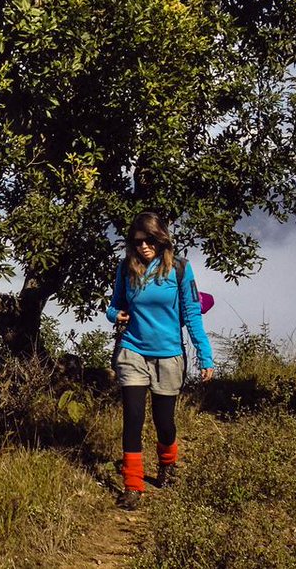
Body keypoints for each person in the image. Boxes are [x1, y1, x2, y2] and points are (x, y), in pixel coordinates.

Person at [106, 211, 214, 509]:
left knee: (164, 421)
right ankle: (133, 485)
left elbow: (192, 314)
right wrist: (116, 315)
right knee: (133, 417)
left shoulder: (179, 269)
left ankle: (167, 464)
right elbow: (114, 305)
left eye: (150, 240)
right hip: (133, 351)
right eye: (138, 241)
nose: (144, 246)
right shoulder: (126, 268)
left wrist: (205, 355)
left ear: (161, 238)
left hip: (168, 355)